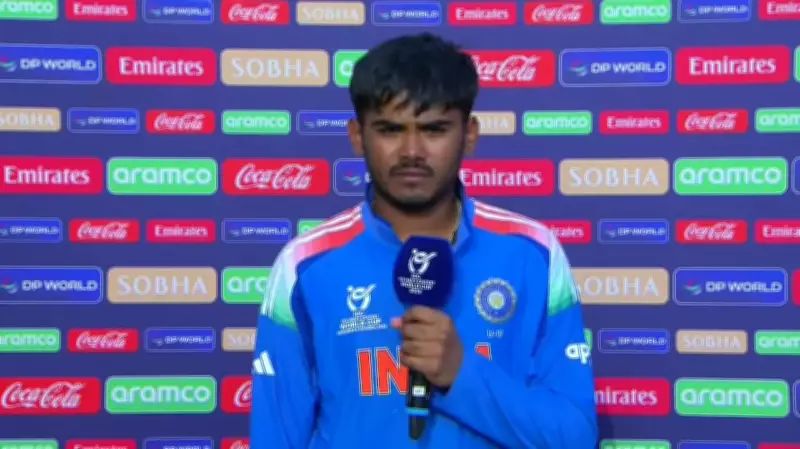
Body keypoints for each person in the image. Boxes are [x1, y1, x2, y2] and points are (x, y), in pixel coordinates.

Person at [250, 32, 598, 449]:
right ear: (357, 136)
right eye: (390, 129)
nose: (411, 151)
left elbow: (574, 437)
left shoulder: (533, 254)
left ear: (469, 134)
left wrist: (462, 374)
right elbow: (275, 437)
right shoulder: (305, 265)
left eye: (434, 129)